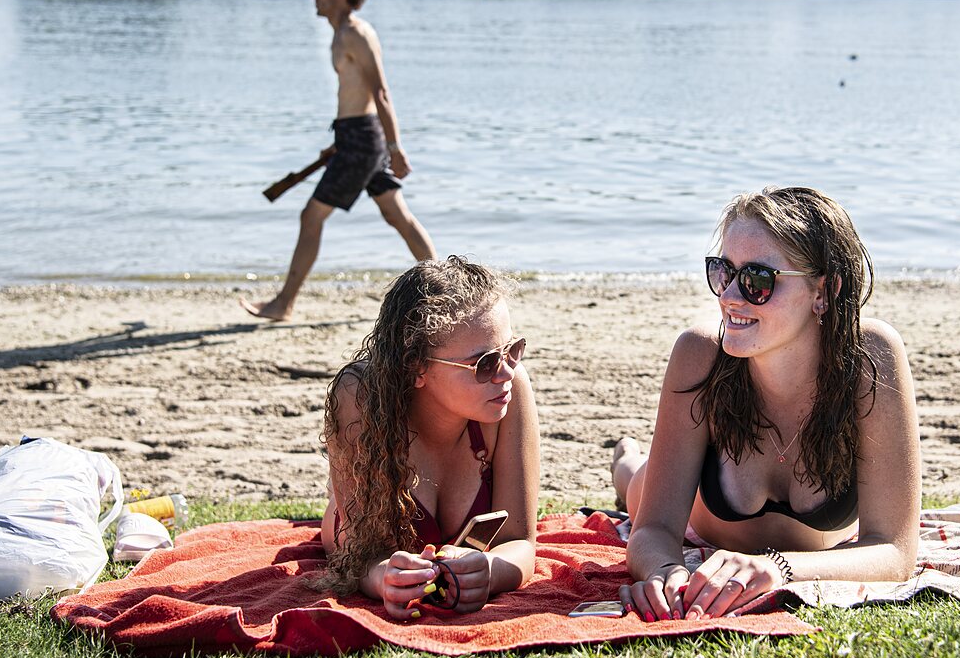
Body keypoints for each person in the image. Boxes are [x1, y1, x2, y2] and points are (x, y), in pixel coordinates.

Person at [611, 186, 920, 621]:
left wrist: (780, 568)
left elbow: (895, 550)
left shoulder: (870, 360)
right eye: (723, 271)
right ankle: (624, 460)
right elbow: (655, 527)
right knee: (635, 487)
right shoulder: (700, 356)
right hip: (698, 510)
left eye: (757, 280)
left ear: (823, 291)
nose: (730, 296)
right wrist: (666, 571)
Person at [319, 256, 539, 618]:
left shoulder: (511, 386)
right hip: (352, 519)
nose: (504, 372)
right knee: (339, 504)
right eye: (483, 363)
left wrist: (490, 571)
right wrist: (382, 579)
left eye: (512, 350)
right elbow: (358, 555)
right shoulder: (359, 396)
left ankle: (623, 460)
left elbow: (519, 541)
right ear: (416, 367)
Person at [241, 0, 436, 321]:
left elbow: (381, 93)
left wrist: (395, 148)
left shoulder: (356, 34)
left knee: (311, 215)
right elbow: (355, 98)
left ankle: (283, 304)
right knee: (397, 215)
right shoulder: (340, 33)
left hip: (364, 140)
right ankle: (445, 288)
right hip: (355, 136)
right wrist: (341, 141)